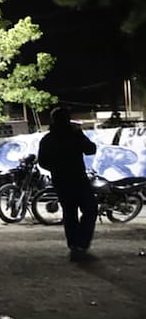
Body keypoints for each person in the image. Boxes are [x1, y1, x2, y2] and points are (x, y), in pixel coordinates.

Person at [37, 107, 99, 262]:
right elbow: (91, 150)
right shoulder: (75, 135)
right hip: (79, 179)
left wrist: (57, 167)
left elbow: (43, 162)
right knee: (90, 209)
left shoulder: (48, 139)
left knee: (70, 213)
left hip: (62, 181)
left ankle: (74, 246)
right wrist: (79, 134)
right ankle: (81, 244)